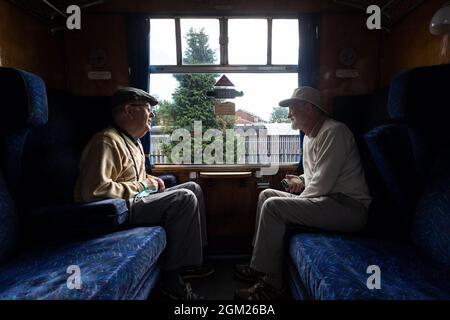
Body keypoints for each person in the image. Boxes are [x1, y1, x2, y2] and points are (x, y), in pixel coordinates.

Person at [74, 87, 212, 300]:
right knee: (184, 198)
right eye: (148, 109)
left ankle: (192, 261)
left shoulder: (133, 141)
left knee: (193, 188)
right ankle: (172, 280)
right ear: (128, 110)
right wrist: (143, 185)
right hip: (120, 209)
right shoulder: (106, 141)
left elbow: (129, 176)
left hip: (138, 200)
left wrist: (150, 179)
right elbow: (94, 191)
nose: (152, 114)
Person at [234, 86, 372, 300]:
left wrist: (294, 204)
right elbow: (317, 175)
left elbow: (322, 184)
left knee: (274, 207)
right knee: (267, 196)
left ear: (308, 108)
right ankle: (259, 264)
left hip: (349, 208)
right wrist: (301, 180)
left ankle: (272, 286)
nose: (288, 114)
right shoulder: (310, 136)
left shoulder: (334, 132)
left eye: (292, 108)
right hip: (328, 200)